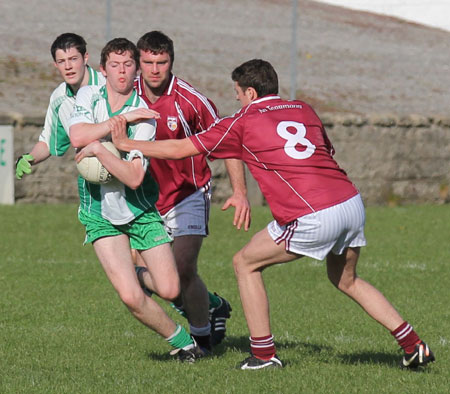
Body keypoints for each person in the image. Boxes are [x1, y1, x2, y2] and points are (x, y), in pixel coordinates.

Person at [111, 59, 435, 370]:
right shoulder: (304, 108)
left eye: (237, 94)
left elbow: (181, 148)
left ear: (249, 93)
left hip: (312, 213)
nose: (236, 100)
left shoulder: (242, 120)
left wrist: (128, 144)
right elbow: (325, 153)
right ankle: (413, 345)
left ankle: (264, 356)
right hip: (350, 202)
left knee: (244, 263)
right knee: (346, 279)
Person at [70, 37, 205, 362]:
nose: (121, 72)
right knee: (130, 296)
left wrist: (102, 148)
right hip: (98, 211)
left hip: (140, 208)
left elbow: (133, 176)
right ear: (103, 70)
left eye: (128, 65)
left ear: (136, 72)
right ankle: (185, 343)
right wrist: (118, 126)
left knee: (171, 289)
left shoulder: (145, 116)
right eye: (114, 65)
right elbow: (77, 136)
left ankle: (201, 302)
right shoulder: (88, 95)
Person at [132, 31, 251, 350]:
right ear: (138, 62)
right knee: (145, 274)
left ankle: (202, 340)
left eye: (162, 62)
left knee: (183, 268)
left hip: (188, 194)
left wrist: (239, 191)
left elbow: (228, 143)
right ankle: (213, 304)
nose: (154, 69)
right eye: (148, 62)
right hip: (144, 200)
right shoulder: (125, 95)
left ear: (172, 61)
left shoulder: (191, 100)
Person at [15, 33, 105, 179]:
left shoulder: (107, 86)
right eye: (62, 61)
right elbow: (48, 143)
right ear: (55, 65)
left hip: (125, 181)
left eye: (73, 59)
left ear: (85, 58)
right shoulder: (59, 99)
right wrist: (28, 158)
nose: (68, 66)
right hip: (90, 186)